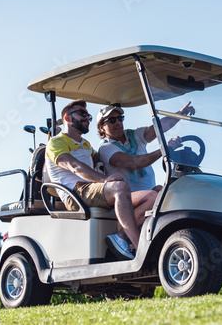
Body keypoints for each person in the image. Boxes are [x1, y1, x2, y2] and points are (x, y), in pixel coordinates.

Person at [45, 99, 157, 261]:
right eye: (82, 114)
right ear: (67, 119)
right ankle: (140, 248)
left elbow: (103, 160)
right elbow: (74, 166)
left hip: (92, 191)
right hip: (75, 193)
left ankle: (123, 238)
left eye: (88, 115)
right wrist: (105, 179)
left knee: (154, 196)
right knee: (119, 188)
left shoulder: (86, 144)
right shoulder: (56, 142)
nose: (87, 118)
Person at [97, 102, 195, 192]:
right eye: (112, 120)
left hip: (150, 193)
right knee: (158, 194)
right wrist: (164, 149)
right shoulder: (106, 147)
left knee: (174, 191)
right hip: (128, 198)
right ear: (101, 127)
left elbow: (158, 128)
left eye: (120, 118)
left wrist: (180, 114)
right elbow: (133, 163)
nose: (118, 122)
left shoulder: (133, 135)